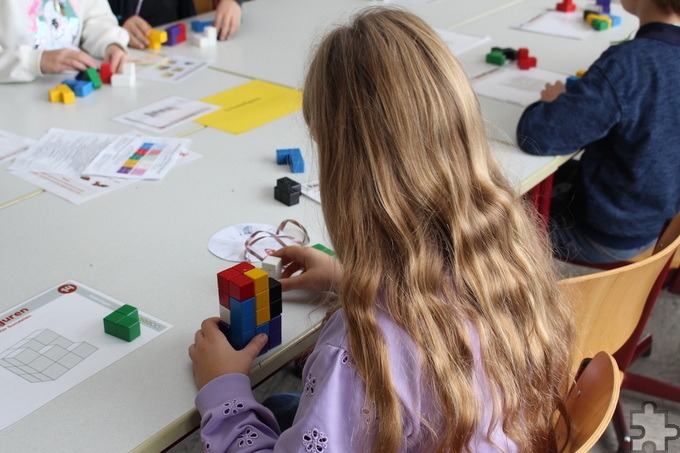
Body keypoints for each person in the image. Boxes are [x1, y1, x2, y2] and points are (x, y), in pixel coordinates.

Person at [189, 8, 574, 452]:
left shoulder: (358, 353)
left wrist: (223, 390)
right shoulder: (507, 258)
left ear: (344, 175)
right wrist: (349, 279)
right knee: (281, 402)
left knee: (269, 404)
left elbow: (383, 361)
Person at [516, 0, 680, 263]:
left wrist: (552, 101)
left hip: (602, 236)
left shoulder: (629, 63)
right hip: (662, 223)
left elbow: (537, 136)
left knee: (485, 215)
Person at [0, 0, 129, 83]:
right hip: (16, 97)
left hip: (68, 86)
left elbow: (96, 18)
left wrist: (111, 42)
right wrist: (35, 61)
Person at [110, 0, 244, 49]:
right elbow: (92, 16)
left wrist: (233, 1)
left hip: (177, 49)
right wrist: (117, 25)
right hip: (119, 52)